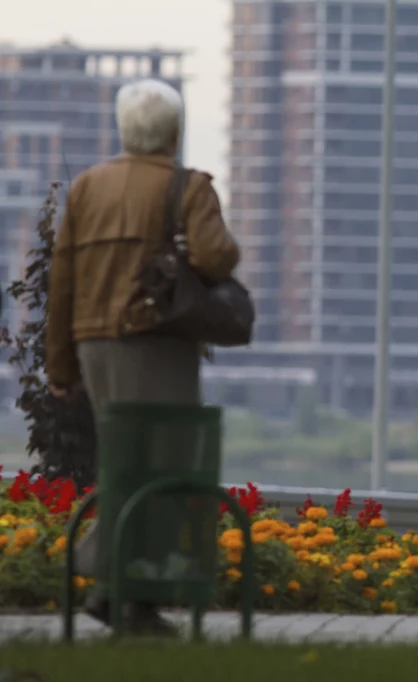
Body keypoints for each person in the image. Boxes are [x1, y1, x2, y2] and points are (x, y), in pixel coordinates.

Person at [46, 79, 240, 632]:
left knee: (125, 461)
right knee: (170, 467)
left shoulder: (87, 187)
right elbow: (214, 255)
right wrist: (226, 251)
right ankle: (114, 583)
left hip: (93, 346)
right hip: (156, 344)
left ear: (124, 130)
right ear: (175, 133)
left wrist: (60, 365)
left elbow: (62, 280)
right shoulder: (187, 187)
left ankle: (121, 595)